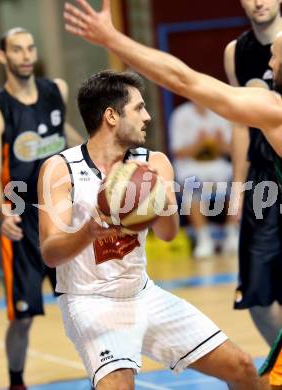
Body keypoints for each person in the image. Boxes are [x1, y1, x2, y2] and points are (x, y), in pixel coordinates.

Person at [62, 0, 282, 387]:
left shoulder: (274, 109)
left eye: (277, 56)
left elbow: (185, 80)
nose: (270, 62)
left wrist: (111, 37)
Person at [0, 27, 82, 390]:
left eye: (30, 47)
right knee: (24, 318)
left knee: (82, 305)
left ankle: (105, 372)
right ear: (4, 57)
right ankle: (16, 381)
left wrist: (106, 156)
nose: (26, 55)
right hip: (22, 218)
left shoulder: (56, 90)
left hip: (61, 212)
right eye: (17, 49)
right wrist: (2, 212)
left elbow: (70, 136)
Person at [224, 0, 282, 348]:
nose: (258, 1)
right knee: (257, 291)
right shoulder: (237, 51)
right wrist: (236, 186)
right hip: (262, 178)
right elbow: (239, 123)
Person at [169, 101, 237, 258]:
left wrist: (218, 144)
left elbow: (232, 148)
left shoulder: (221, 112)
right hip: (192, 165)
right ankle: (203, 238)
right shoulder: (180, 115)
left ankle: (232, 233)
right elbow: (177, 152)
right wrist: (198, 145)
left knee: (239, 182)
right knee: (190, 185)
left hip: (218, 164)